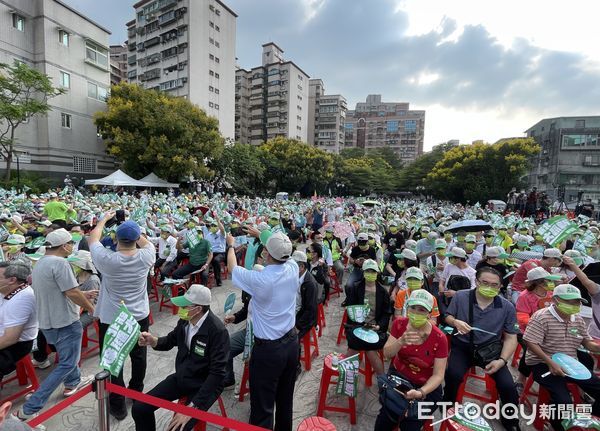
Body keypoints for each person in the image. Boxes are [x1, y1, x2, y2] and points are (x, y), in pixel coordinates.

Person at [17, 229, 95, 422]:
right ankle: (31, 406)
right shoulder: (60, 263)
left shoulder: (41, 263)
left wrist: (82, 295)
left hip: (48, 323)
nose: (72, 247)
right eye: (70, 243)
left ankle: (73, 382)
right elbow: (72, 293)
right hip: (65, 322)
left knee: (68, 357)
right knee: (67, 362)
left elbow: (58, 291)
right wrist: (92, 308)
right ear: (63, 246)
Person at [227, 229, 299, 431]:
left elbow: (233, 268)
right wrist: (261, 234)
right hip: (291, 343)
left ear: (266, 253)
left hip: (269, 351)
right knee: (285, 401)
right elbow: (279, 251)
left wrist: (231, 244)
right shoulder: (292, 266)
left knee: (262, 407)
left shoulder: (261, 280)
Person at [133, 285, 229, 431]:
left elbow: (217, 374)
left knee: (176, 428)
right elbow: (170, 340)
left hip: (204, 385)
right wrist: (153, 341)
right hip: (183, 377)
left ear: (198, 309)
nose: (180, 309)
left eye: (184, 306)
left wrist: (192, 408)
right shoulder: (185, 322)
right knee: (140, 408)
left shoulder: (217, 331)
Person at [89, 215, 156, 420]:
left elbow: (93, 237)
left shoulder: (106, 259)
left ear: (116, 239)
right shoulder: (147, 255)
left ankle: (117, 406)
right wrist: (128, 226)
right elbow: (144, 241)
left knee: (112, 361)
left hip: (112, 318)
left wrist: (104, 220)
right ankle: (136, 392)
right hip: (139, 315)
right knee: (138, 356)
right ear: (137, 238)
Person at [443, 267, 520, 431]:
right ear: (476, 282)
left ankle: (510, 420)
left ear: (500, 287)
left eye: (495, 285)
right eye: (485, 283)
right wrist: (455, 322)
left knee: (508, 386)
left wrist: (502, 360)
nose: (489, 287)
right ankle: (447, 405)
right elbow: (447, 316)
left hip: (490, 351)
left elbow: (511, 337)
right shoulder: (461, 297)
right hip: (463, 346)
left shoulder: (507, 307)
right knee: (453, 375)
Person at [524, 284, 600, 431]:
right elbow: (531, 342)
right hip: (543, 363)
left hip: (571, 363)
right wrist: (550, 363)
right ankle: (558, 426)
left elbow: (586, 342)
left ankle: (590, 420)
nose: (574, 305)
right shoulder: (541, 316)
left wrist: (596, 347)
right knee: (563, 401)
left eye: (577, 302)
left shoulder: (577, 318)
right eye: (569, 301)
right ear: (555, 300)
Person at [375, 289, 448, 431]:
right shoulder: (399, 324)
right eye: (412, 308)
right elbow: (387, 354)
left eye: (421, 310)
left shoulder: (439, 338)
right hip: (399, 377)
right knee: (386, 417)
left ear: (429, 313)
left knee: (411, 424)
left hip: (426, 385)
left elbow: (438, 375)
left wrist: (421, 392)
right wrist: (400, 341)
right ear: (407, 308)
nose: (416, 313)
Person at [344, 259, 392, 377]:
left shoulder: (383, 292)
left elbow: (386, 313)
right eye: (368, 271)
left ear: (377, 273)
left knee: (364, 348)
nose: (370, 274)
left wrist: (379, 326)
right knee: (358, 347)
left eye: (373, 271)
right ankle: (347, 379)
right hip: (357, 326)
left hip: (375, 328)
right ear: (363, 272)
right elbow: (351, 310)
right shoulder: (355, 288)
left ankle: (382, 381)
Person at [0, 262, 37, 381]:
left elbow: (10, 339)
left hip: (15, 345)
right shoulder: (6, 290)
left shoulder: (21, 299)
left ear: (12, 280)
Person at [291, 251, 318, 376]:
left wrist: (298, 326)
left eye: (293, 265)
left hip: (306, 317)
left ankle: (296, 367)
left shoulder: (309, 283)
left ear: (301, 267)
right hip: (295, 310)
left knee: (292, 338)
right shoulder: (294, 276)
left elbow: (310, 310)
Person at [67, 250, 100, 329]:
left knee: (75, 327)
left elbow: (89, 304)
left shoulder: (92, 280)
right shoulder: (76, 276)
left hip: (90, 311)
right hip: (77, 307)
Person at [344, 232, 377, 305]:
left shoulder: (372, 250)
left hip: (367, 271)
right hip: (357, 270)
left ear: (367, 242)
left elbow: (374, 262)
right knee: (348, 285)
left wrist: (367, 262)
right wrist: (356, 261)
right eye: (360, 243)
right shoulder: (355, 249)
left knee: (367, 287)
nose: (361, 245)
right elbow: (351, 260)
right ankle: (348, 299)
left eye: (363, 243)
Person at [202, 218, 226, 286]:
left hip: (220, 253)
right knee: (203, 260)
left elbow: (223, 229)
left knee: (216, 260)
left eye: (215, 226)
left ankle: (218, 280)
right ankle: (204, 280)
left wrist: (218, 221)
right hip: (210, 253)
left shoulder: (221, 234)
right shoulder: (208, 235)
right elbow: (205, 244)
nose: (213, 227)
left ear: (218, 227)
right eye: (212, 226)